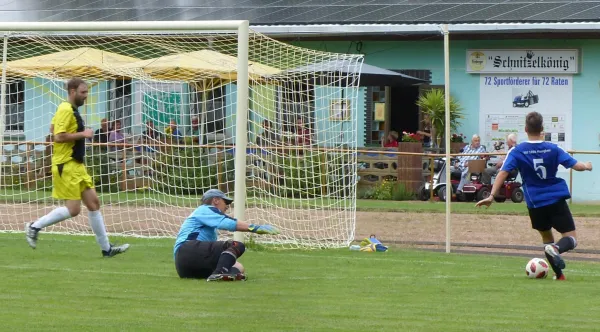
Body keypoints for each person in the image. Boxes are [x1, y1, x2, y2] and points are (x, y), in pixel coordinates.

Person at [476, 112, 592, 280]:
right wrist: (587, 166)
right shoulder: (553, 148)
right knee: (571, 239)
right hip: (555, 199)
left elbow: (502, 173)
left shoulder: (517, 151)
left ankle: (559, 275)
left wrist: (491, 196)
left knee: (547, 238)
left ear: (525, 129)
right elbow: (576, 166)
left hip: (535, 202)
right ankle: (558, 250)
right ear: (542, 129)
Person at [25, 77, 130, 257]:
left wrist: (72, 131)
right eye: (83, 92)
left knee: (94, 203)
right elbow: (58, 136)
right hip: (66, 165)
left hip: (76, 165)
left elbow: (53, 127)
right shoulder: (66, 109)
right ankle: (34, 226)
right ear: (72, 91)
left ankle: (107, 249)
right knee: (74, 210)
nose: (86, 96)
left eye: (87, 92)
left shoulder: (68, 109)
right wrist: (83, 133)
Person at [174, 189, 280, 282]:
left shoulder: (204, 218)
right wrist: (255, 228)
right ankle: (219, 273)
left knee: (238, 266)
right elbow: (227, 222)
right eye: (225, 202)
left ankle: (221, 274)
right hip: (187, 250)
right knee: (236, 245)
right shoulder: (205, 209)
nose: (227, 207)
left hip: (184, 269)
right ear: (215, 200)